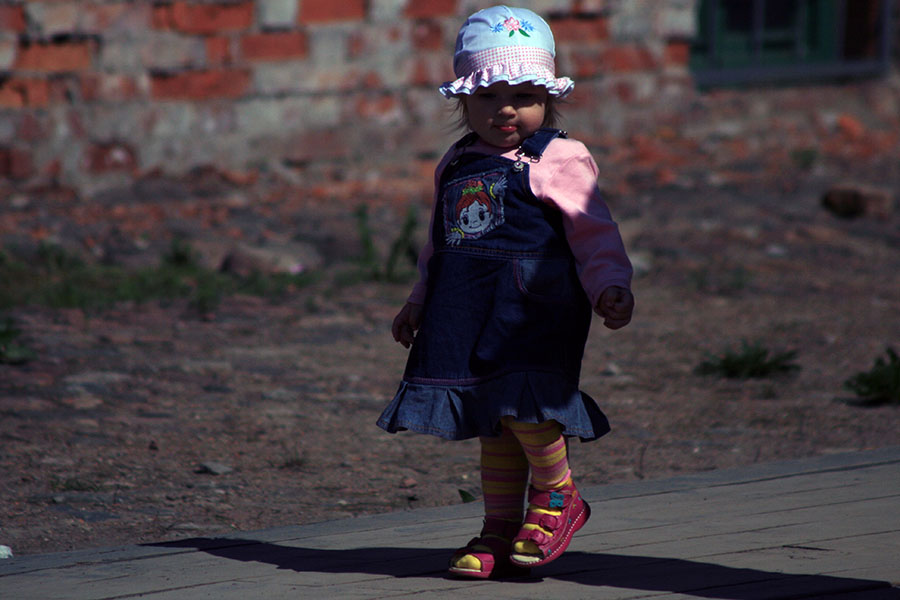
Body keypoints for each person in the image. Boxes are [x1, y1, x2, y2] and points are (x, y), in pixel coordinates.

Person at [377, 5, 634, 579]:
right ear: (464, 102)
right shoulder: (457, 161)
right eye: (489, 96)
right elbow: (440, 241)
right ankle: (501, 524)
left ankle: (558, 495)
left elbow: (594, 232)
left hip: (533, 309)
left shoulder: (557, 157)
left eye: (524, 96)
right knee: (492, 417)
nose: (506, 108)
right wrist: (419, 298)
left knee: (526, 407)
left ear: (549, 99)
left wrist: (610, 284)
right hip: (465, 306)